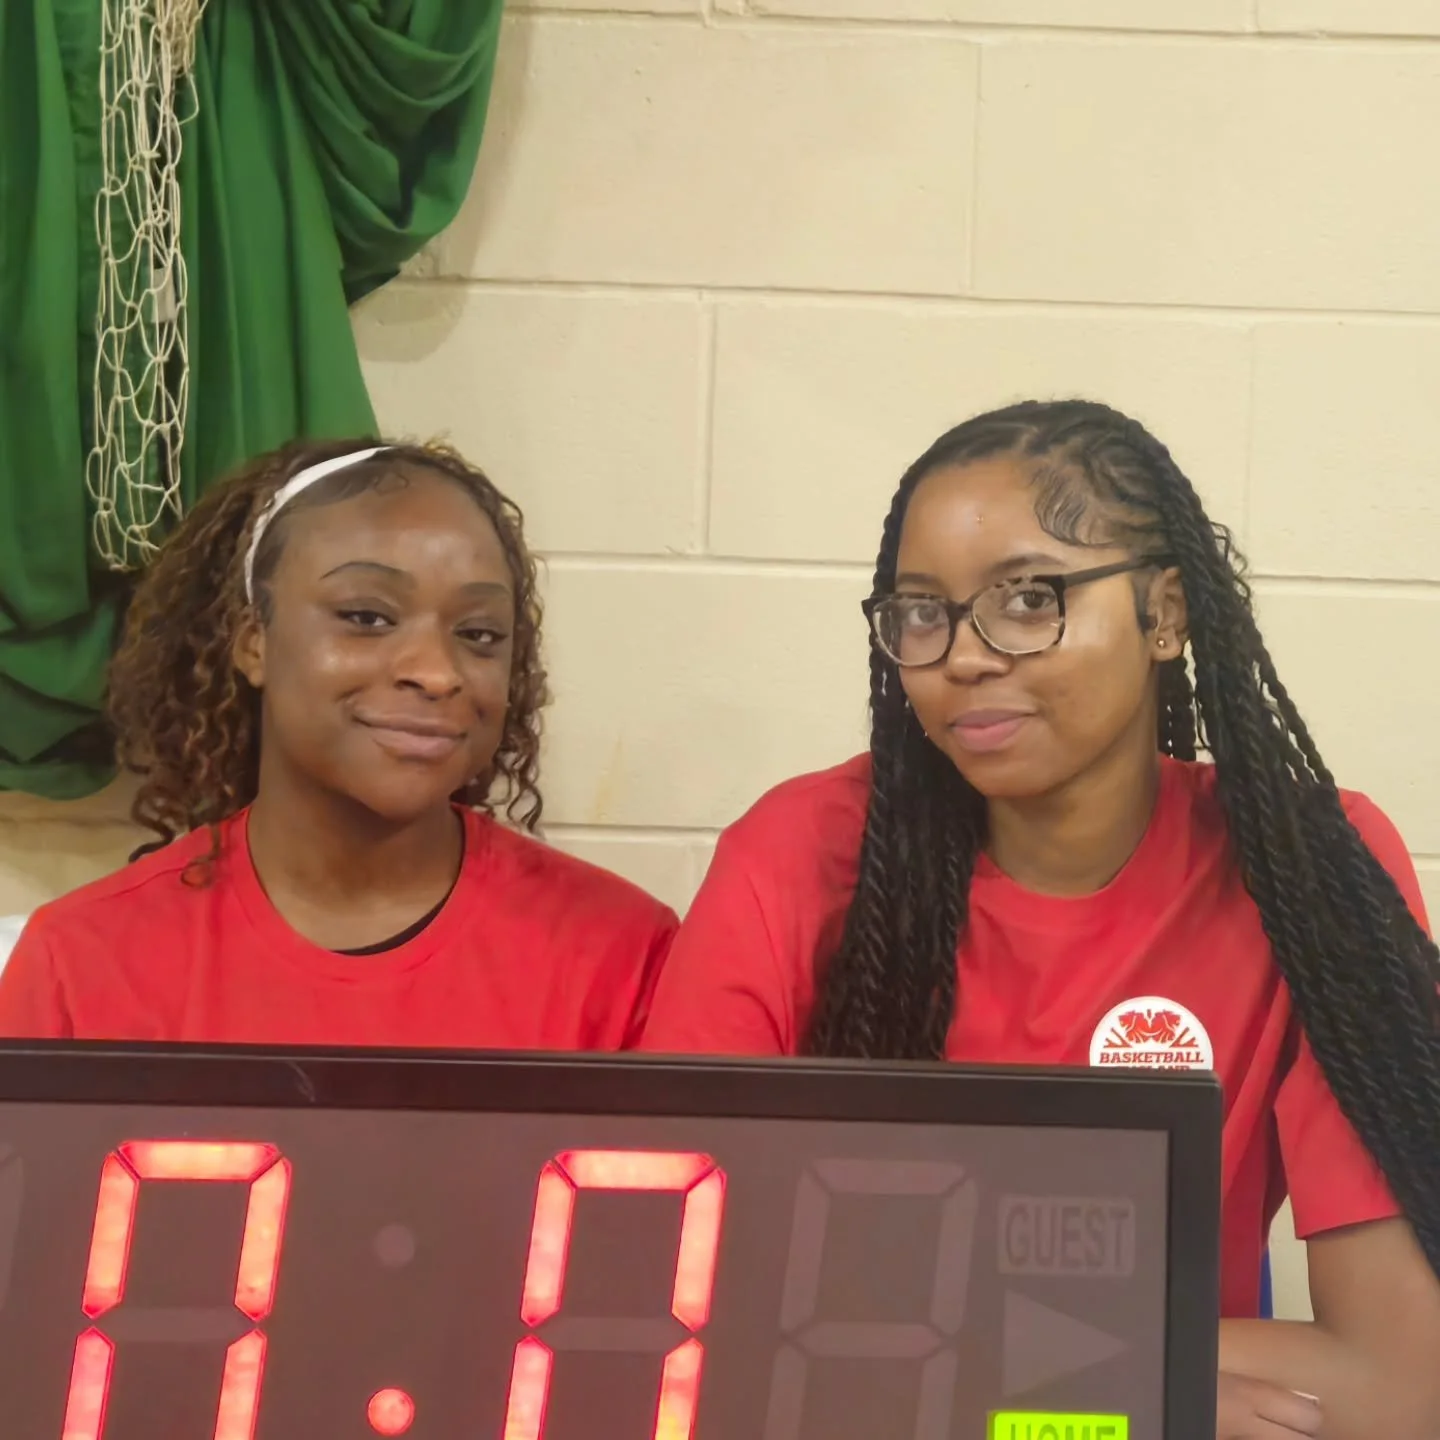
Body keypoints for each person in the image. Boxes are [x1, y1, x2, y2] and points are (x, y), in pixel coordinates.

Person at [641, 400, 1440, 1439]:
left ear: (1164, 613)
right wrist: (1103, 1392)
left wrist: (968, 1377)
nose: (962, 656)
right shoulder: (795, 857)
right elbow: (677, 1317)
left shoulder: (1308, 869)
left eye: (1028, 599)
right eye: (921, 612)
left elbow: (1397, 1384)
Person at [0, 439, 674, 1051]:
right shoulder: (78, 966)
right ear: (253, 641)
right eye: (366, 617)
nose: (436, 672)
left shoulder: (622, 956)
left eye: (479, 634)